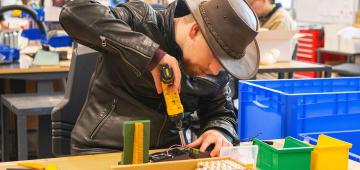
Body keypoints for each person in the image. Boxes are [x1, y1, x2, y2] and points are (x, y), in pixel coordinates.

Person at [60, 0, 259, 157]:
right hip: (103, 150)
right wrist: (149, 54)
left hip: (167, 154)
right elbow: (73, 12)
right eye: (215, 57)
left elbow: (221, 112)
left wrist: (218, 131)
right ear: (195, 31)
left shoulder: (217, 72)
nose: (216, 70)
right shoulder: (140, 19)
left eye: (224, 64)